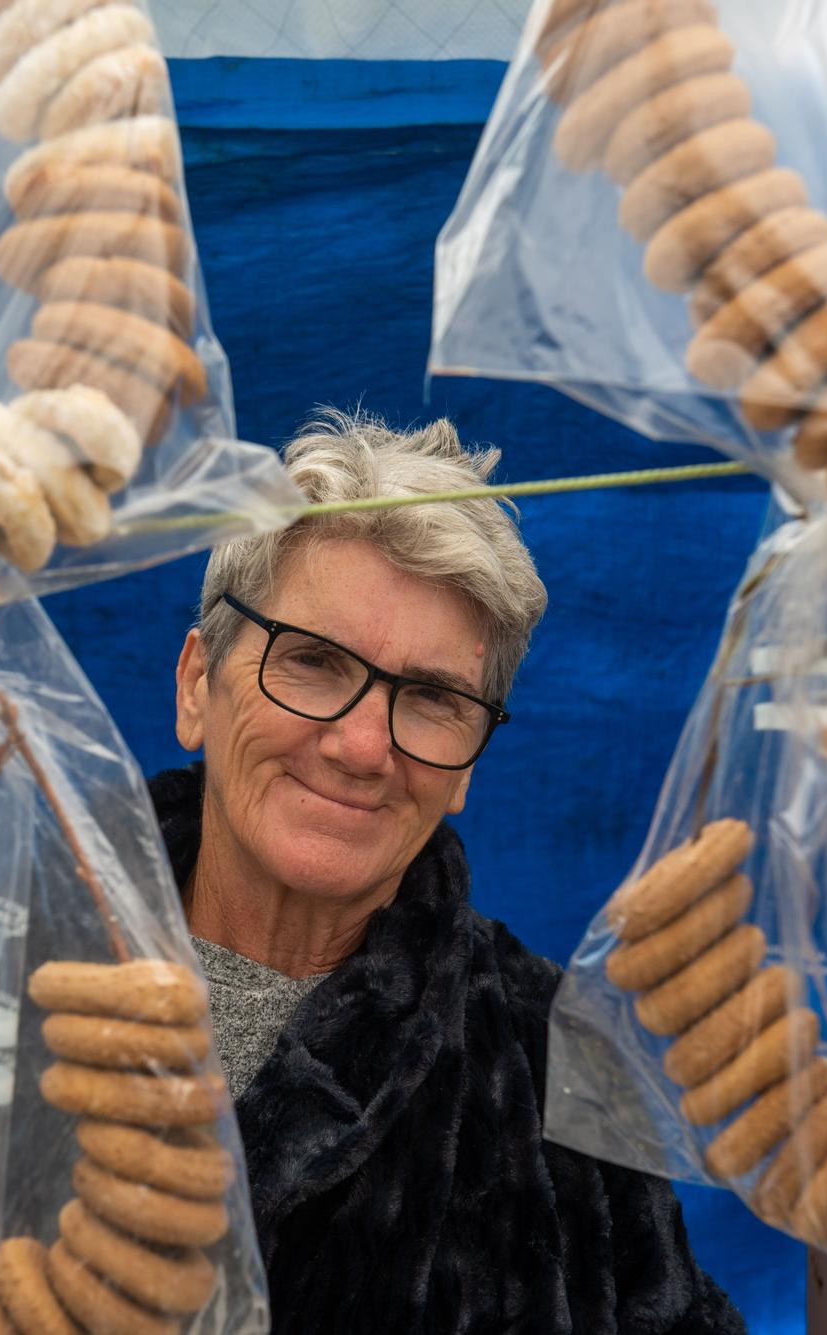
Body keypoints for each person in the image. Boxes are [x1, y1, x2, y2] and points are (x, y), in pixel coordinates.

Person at [155, 410, 744, 1333]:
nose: (359, 746)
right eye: (312, 661)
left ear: (468, 761)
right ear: (198, 682)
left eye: (431, 697)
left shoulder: (556, 1060)